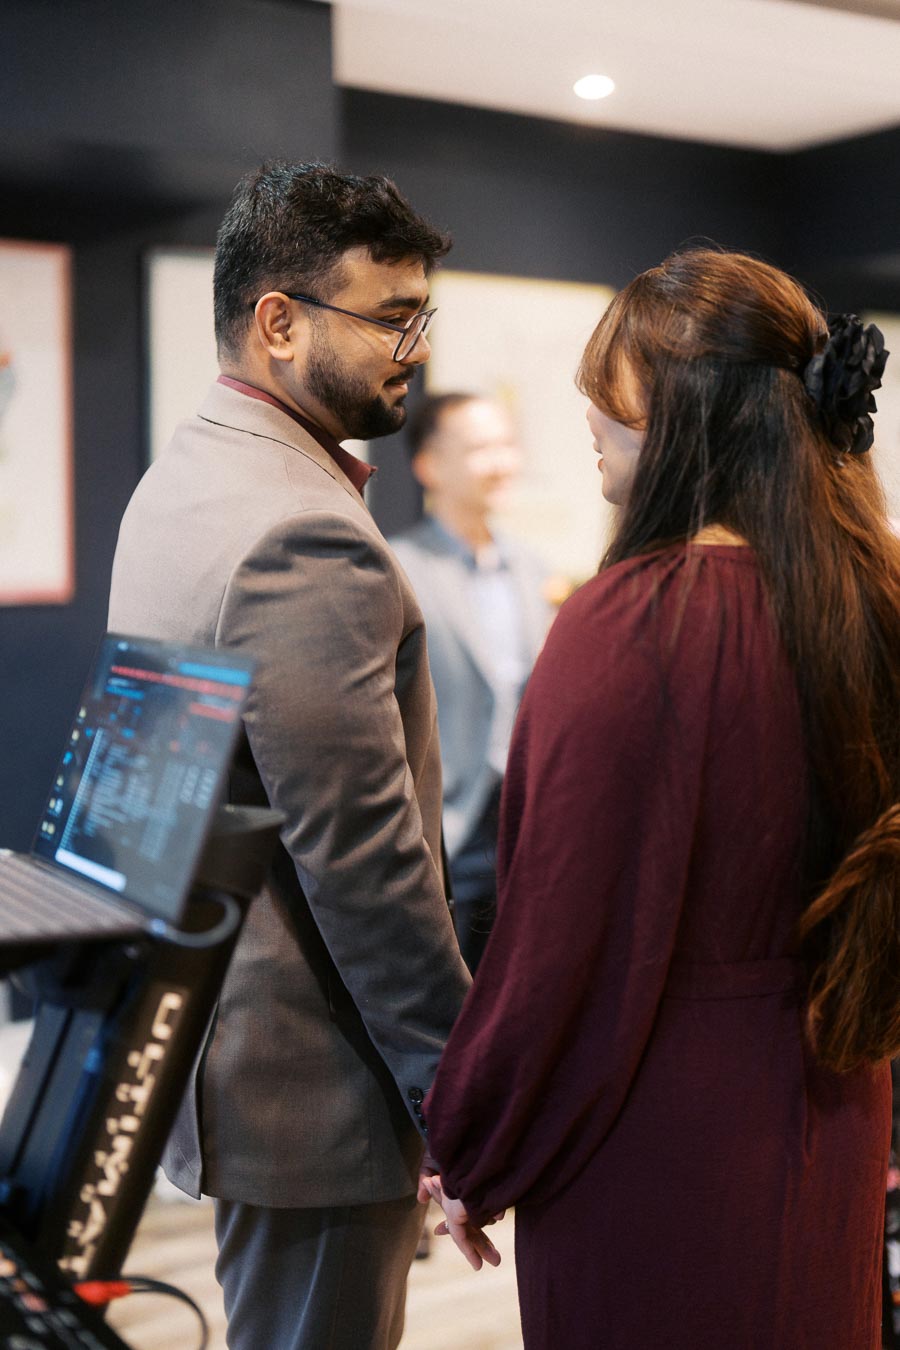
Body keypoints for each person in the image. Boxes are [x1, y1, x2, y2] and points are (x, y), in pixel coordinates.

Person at [422, 248, 898, 1347]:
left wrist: (472, 1140)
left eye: (616, 384)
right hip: (831, 1090)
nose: (587, 410)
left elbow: (559, 948)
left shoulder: (632, 621)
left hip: (657, 1120)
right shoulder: (872, 593)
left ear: (691, 409)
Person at [107, 162, 482, 1350]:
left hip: (231, 1052)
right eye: (390, 316)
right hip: (313, 1091)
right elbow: (363, 865)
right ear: (278, 321)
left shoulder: (185, 476)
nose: (413, 347)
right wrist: (458, 1098)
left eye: (422, 315)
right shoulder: (301, 529)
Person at [390, 393, 552, 973]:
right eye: (482, 448)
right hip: (445, 824)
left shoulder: (536, 570)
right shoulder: (398, 566)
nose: (501, 461)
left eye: (507, 445)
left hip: (526, 825)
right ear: (429, 465)